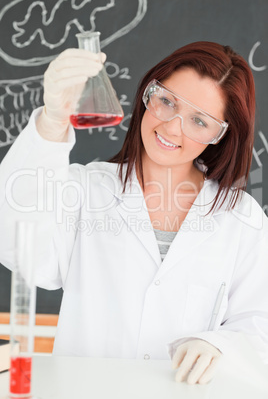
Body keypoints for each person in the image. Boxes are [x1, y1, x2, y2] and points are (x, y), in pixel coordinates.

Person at [0, 41, 267, 385]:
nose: (172, 128)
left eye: (199, 121)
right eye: (167, 101)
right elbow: (16, 243)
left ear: (221, 136)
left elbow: (260, 322)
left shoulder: (240, 217)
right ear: (148, 94)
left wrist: (219, 344)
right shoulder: (85, 190)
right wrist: (52, 123)